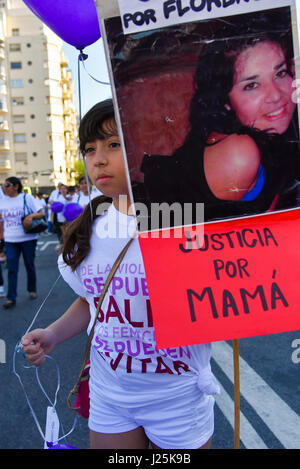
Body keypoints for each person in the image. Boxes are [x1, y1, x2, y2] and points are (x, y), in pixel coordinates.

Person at [21, 99, 219, 450]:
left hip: (178, 395)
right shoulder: (88, 229)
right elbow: (93, 300)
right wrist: (53, 334)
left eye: (114, 144)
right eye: (89, 148)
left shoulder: (188, 221)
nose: (99, 159)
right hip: (111, 394)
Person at [141, 13, 300, 222]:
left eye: (280, 73)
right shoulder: (239, 151)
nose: (276, 95)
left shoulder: (268, 133)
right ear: (224, 100)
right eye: (251, 85)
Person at [0, 177, 45, 308]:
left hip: (27, 238)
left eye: (7, 185)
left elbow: (41, 213)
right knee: (11, 268)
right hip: (10, 239)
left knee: (29, 264)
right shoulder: (3, 200)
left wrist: (30, 216)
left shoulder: (27, 198)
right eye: (4, 185)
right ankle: (11, 298)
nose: (5, 187)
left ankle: (32, 290)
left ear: (16, 186)